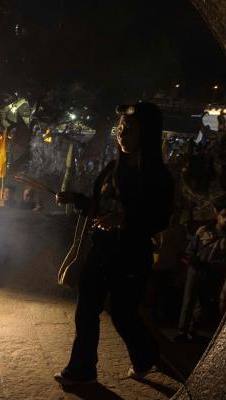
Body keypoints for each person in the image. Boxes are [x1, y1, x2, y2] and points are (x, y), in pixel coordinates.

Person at [54, 102, 174, 385]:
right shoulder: (111, 168)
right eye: (120, 128)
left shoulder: (158, 177)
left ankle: (146, 355)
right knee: (86, 310)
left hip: (131, 255)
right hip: (102, 251)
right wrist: (77, 200)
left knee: (123, 315)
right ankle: (82, 370)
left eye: (129, 129)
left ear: (147, 134)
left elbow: (160, 219)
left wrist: (126, 218)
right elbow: (99, 207)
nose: (122, 133)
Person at [176, 200, 226, 342]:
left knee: (202, 304)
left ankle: (192, 330)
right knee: (188, 301)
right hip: (195, 270)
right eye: (224, 215)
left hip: (211, 273)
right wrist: (191, 259)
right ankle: (182, 332)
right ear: (217, 214)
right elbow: (190, 250)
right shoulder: (204, 230)